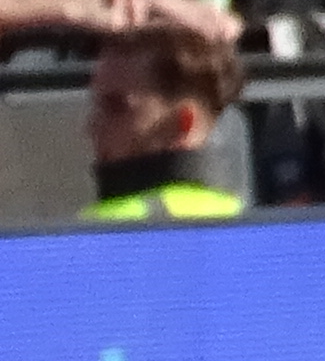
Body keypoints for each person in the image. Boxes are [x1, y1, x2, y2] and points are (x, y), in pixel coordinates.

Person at [83, 20, 251, 220]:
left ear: (182, 124)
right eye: (99, 107)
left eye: (116, 108)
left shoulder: (100, 231)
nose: (92, 127)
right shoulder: (255, 225)